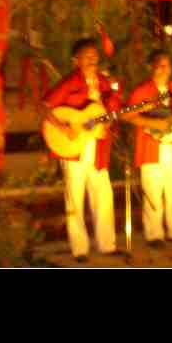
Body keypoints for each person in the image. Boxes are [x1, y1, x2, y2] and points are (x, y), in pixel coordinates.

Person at [42, 38, 120, 263]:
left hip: (98, 147)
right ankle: (79, 249)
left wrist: (109, 121)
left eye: (95, 56)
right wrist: (63, 128)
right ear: (76, 60)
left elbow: (111, 111)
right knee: (75, 197)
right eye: (87, 56)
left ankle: (107, 245)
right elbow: (45, 107)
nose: (92, 59)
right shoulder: (70, 82)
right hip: (73, 146)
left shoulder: (104, 83)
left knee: (103, 194)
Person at [124, 50, 172, 249]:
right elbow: (127, 115)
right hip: (152, 149)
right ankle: (154, 235)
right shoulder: (142, 91)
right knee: (153, 192)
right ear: (151, 67)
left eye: (168, 65)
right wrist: (152, 123)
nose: (165, 69)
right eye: (161, 65)